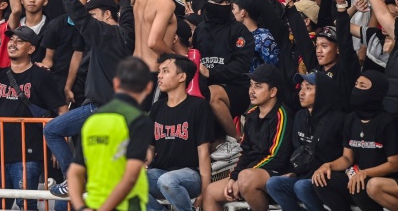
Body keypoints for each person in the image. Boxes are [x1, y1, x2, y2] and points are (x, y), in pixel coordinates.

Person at [45, 0, 135, 205]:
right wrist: (122, 0)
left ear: (106, 15)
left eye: (95, 15)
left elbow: (79, 17)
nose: (90, 20)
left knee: (51, 130)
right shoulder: (126, 34)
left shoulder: (104, 34)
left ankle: (71, 180)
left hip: (100, 108)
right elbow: (125, 17)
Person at [0, 26, 66, 210]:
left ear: (31, 49)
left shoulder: (41, 75)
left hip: (28, 153)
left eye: (20, 41)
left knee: (26, 204)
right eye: (12, 39)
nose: (13, 43)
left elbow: (62, 110)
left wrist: (58, 146)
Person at [67, 57, 154, 211]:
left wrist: (81, 207)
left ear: (116, 83)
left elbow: (74, 172)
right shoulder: (138, 119)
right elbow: (131, 176)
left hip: (94, 204)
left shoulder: (93, 119)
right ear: (148, 87)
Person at [202, 64, 293, 211]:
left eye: (258, 86)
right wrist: (233, 178)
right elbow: (244, 152)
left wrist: (243, 176)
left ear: (273, 91)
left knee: (246, 179)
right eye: (251, 85)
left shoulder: (282, 114)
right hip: (248, 175)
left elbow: (277, 158)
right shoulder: (251, 114)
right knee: (210, 192)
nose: (251, 90)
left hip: (276, 175)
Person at [312, 71, 398, 211]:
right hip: (360, 176)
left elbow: (394, 164)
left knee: (360, 184)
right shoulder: (351, 119)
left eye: (363, 86)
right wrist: (328, 165)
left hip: (383, 179)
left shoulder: (388, 122)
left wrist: (366, 173)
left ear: (376, 92)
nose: (357, 89)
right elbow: (347, 158)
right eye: (356, 84)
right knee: (321, 181)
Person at [265, 71, 345, 211]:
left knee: (301, 186)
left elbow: (345, 157)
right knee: (273, 183)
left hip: (327, 179)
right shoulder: (300, 116)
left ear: (322, 92)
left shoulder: (338, 119)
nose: (301, 93)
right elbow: (298, 150)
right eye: (301, 87)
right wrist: (294, 172)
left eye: (308, 88)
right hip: (304, 177)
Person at [147, 54, 213, 211]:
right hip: (160, 172)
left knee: (167, 180)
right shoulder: (157, 108)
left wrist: (205, 193)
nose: (159, 76)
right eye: (159, 72)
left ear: (182, 77)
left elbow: (203, 152)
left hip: (190, 175)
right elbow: (150, 147)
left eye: (165, 71)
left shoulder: (199, 106)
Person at [193, 0, 254, 154]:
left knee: (212, 94)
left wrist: (211, 72)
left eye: (228, 2)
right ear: (208, 4)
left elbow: (241, 65)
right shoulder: (200, 30)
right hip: (207, 87)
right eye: (220, 3)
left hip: (237, 88)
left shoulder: (239, 30)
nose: (225, 6)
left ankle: (236, 140)